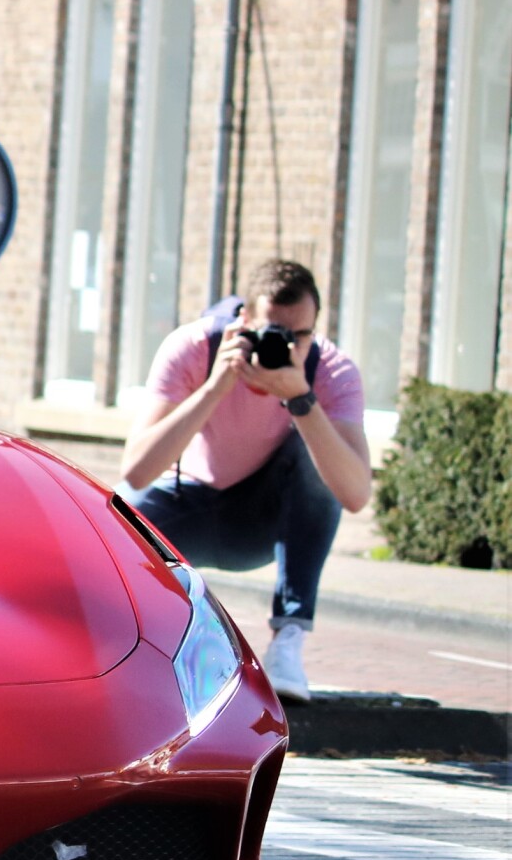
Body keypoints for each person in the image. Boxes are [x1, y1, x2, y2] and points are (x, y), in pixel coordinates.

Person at [120, 260, 373, 701]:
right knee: (118, 515)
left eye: (300, 337)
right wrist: (216, 386)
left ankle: (288, 641)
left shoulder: (331, 371)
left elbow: (355, 494)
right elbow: (137, 470)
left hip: (261, 521)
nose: (286, 349)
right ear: (244, 323)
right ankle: (137, 649)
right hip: (188, 508)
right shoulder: (194, 346)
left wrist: (301, 399)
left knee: (317, 448)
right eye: (272, 334)